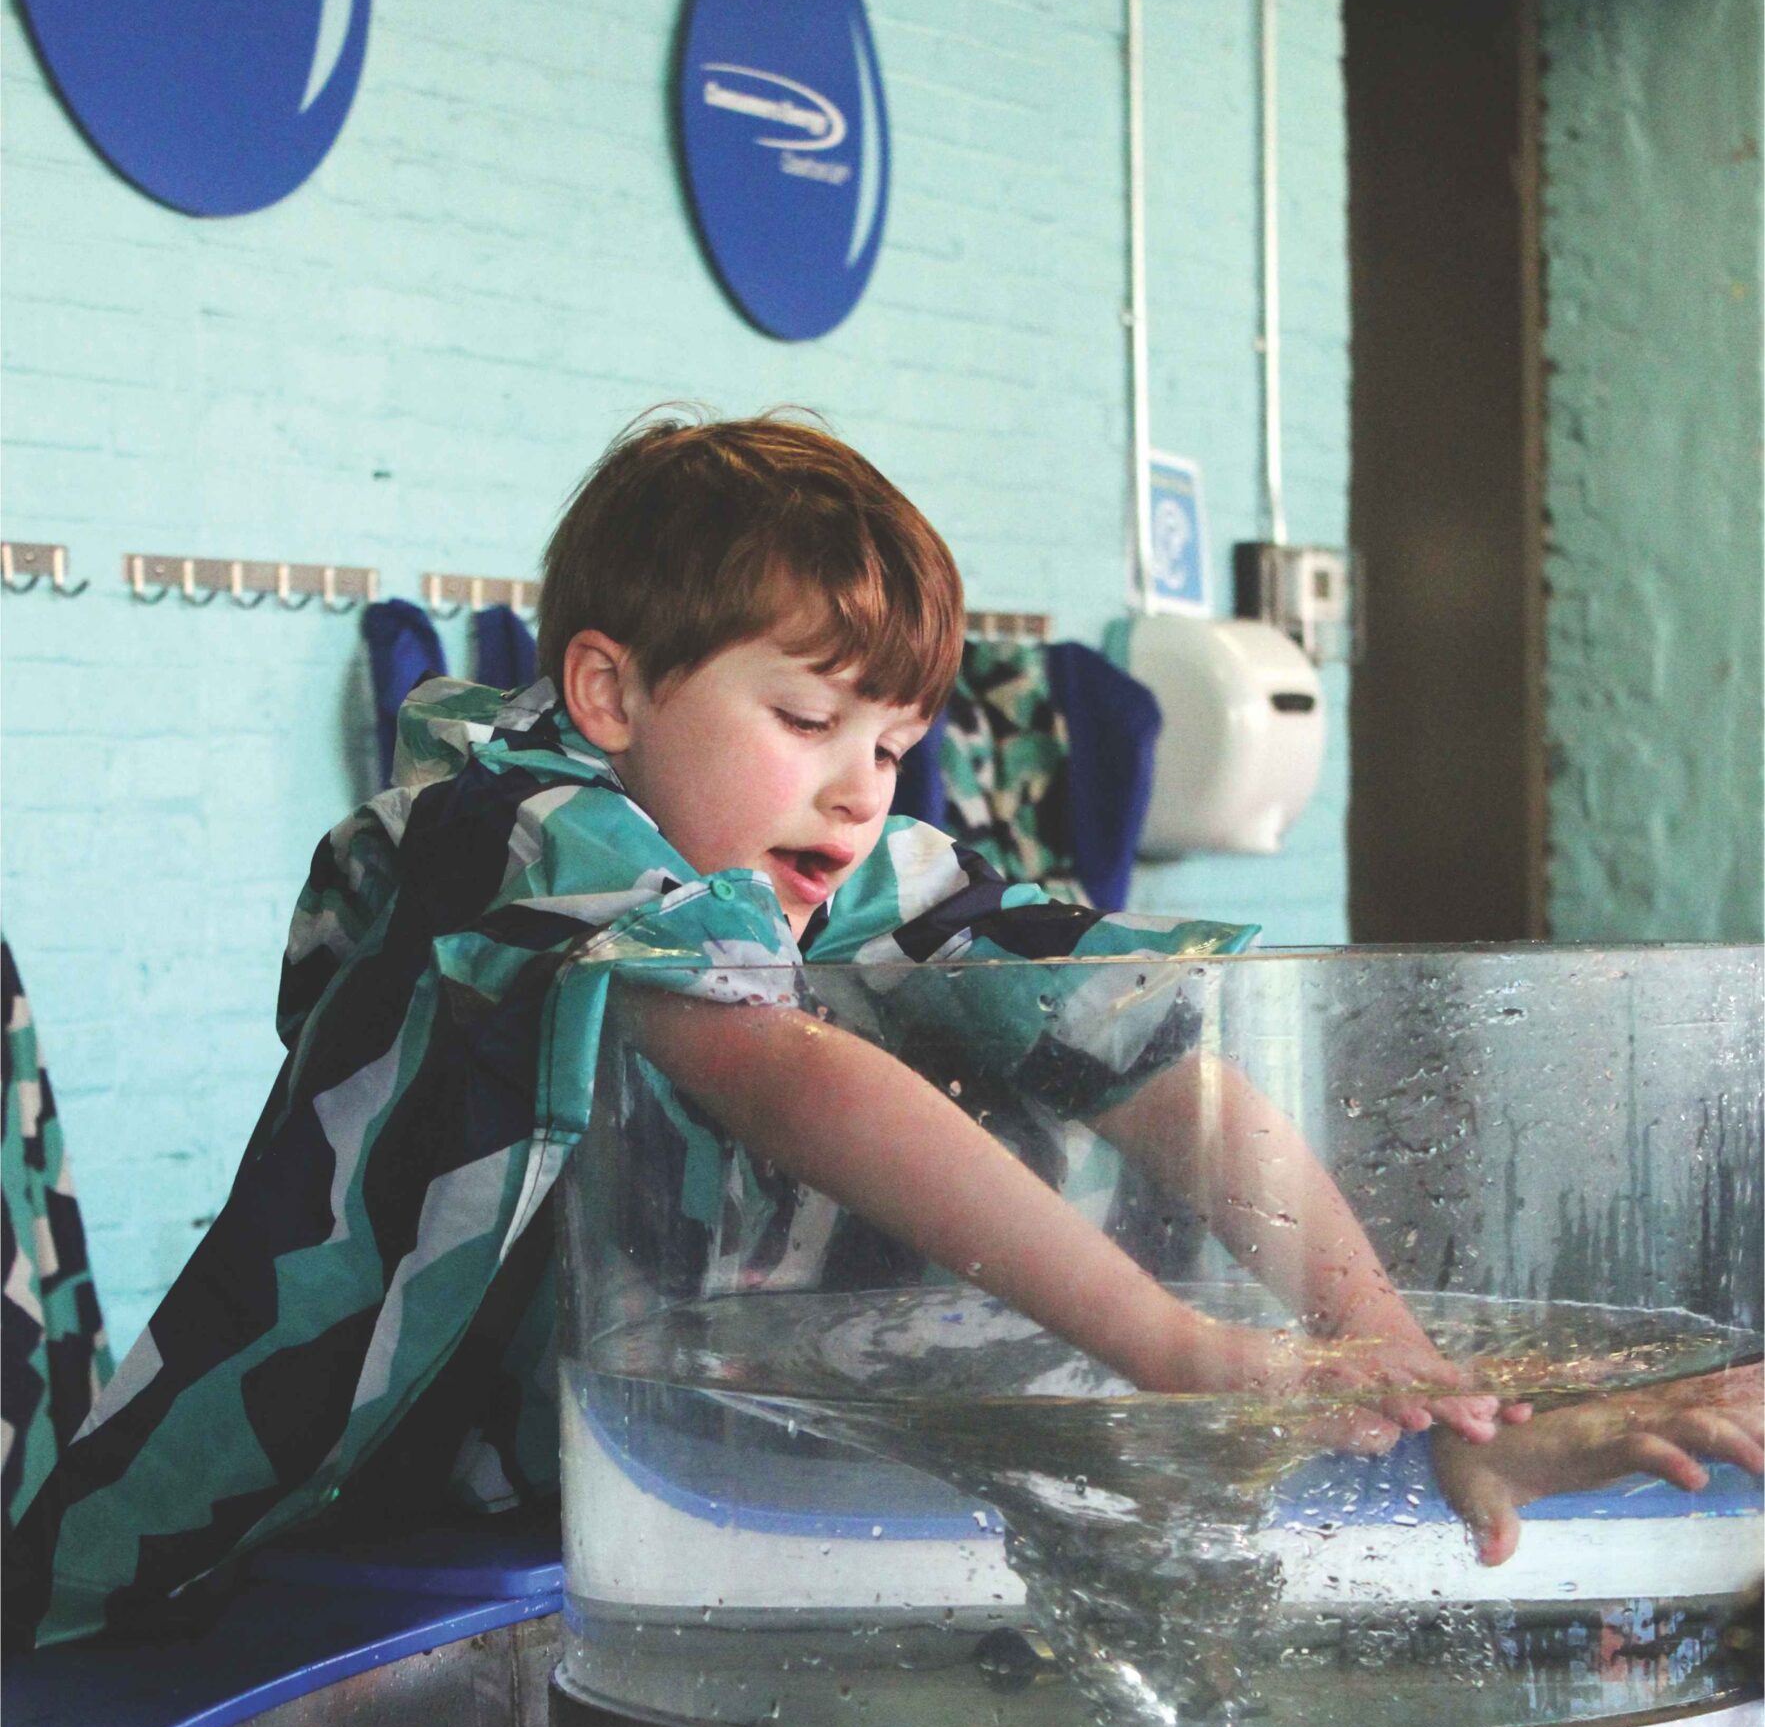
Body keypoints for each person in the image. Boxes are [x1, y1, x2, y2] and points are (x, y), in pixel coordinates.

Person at [5, 415, 1755, 1647]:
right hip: (251, 1514)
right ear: (611, 692)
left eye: (894, 742)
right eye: (805, 718)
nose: (857, 788)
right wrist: (1172, 1348)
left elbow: (1140, 1049)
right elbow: (780, 1072)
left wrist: (1401, 1371)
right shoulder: (509, 825)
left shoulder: (852, 867)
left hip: (563, 1508)